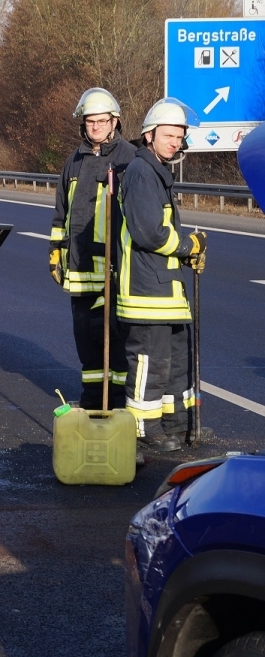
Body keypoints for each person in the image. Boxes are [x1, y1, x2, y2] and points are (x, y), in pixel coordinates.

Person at [116, 97, 210, 452]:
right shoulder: (141, 172)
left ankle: (176, 424)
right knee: (150, 364)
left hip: (167, 291)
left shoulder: (157, 172)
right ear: (149, 135)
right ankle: (144, 429)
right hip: (146, 292)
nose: (175, 142)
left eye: (180, 137)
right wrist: (188, 246)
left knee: (175, 364)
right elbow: (150, 234)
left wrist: (187, 256)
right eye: (169, 135)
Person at [49, 88, 136, 409]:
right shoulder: (73, 161)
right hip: (80, 269)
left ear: (114, 121)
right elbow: (62, 212)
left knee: (116, 342)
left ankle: (118, 404)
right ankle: (92, 400)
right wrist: (56, 251)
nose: (96, 126)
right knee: (86, 340)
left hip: (115, 270)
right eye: (90, 121)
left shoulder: (129, 158)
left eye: (102, 121)